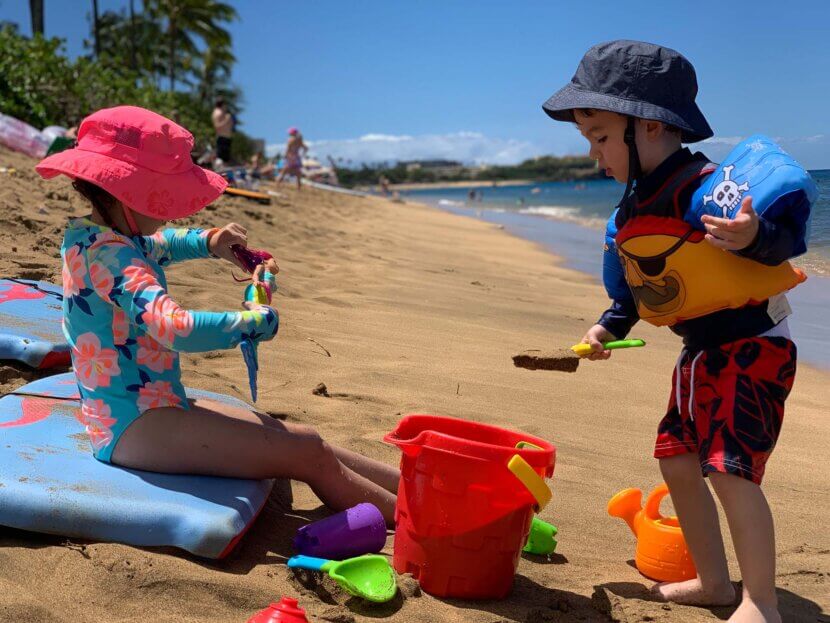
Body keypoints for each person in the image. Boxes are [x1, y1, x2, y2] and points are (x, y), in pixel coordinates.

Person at [542, 41, 810, 623]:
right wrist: (608, 327)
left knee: (729, 467)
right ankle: (714, 582)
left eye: (602, 137)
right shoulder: (631, 211)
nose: (594, 155)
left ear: (651, 127)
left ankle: (761, 601)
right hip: (699, 354)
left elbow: (784, 238)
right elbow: (641, 286)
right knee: (677, 460)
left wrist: (753, 236)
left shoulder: (704, 189)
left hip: (754, 345)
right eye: (588, 141)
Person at [35, 106, 399, 523]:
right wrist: (252, 323)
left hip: (143, 406)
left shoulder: (97, 236)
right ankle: (421, 524)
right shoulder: (113, 257)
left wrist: (211, 241)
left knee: (307, 441)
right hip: (133, 427)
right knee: (306, 454)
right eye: (165, 197)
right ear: (128, 193)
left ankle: (417, 489)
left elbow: (163, 243)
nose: (173, 210)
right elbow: (175, 328)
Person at [211, 98, 234, 166]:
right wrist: (226, 120)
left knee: (225, 160)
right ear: (223, 104)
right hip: (222, 138)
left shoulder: (223, 113)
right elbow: (217, 126)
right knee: (221, 160)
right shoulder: (217, 113)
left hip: (226, 138)